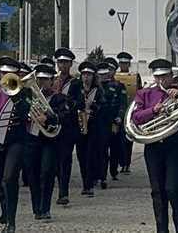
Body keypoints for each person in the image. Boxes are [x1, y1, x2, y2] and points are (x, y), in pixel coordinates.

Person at [131, 59, 178, 233]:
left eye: (165, 76)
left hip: (174, 147)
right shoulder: (145, 94)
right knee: (157, 192)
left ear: (171, 76)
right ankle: (161, 229)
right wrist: (154, 111)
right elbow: (136, 117)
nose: (161, 81)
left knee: (172, 188)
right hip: (153, 147)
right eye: (158, 77)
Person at [0, 60, 30, 233]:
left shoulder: (25, 92)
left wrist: (14, 95)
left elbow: (25, 113)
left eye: (8, 74)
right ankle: (5, 211)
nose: (5, 77)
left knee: (10, 179)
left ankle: (11, 222)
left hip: (16, 142)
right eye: (2, 74)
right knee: (1, 182)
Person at [25, 63, 68, 221]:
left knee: (46, 172)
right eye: (39, 79)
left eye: (45, 79)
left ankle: (45, 208)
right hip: (32, 138)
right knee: (32, 174)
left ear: (52, 81)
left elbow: (65, 116)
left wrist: (48, 117)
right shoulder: (29, 98)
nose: (42, 83)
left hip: (50, 140)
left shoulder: (59, 98)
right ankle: (37, 207)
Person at [52, 47, 84, 205]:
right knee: (53, 159)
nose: (62, 65)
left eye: (66, 62)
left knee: (65, 159)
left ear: (71, 64)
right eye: (60, 62)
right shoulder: (51, 80)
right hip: (51, 125)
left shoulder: (76, 83)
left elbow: (81, 103)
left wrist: (66, 101)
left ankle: (63, 191)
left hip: (68, 126)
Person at [74, 61, 103, 197]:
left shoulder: (98, 90)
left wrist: (93, 107)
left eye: (89, 74)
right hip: (79, 125)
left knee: (90, 155)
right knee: (81, 155)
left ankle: (88, 185)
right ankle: (85, 179)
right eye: (84, 74)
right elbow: (70, 102)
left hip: (94, 127)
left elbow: (104, 106)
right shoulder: (76, 88)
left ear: (93, 76)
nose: (86, 77)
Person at [99, 58, 127, 185]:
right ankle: (102, 176)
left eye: (111, 70)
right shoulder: (98, 87)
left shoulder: (119, 86)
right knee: (102, 149)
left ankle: (114, 170)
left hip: (115, 122)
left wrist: (120, 116)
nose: (109, 72)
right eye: (107, 69)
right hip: (102, 122)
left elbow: (123, 104)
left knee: (115, 148)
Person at [116, 52, 142, 173]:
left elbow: (140, 92)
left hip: (131, 111)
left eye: (126, 63)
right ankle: (120, 162)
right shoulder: (115, 77)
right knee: (118, 139)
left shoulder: (135, 76)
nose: (124, 65)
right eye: (122, 63)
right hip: (118, 112)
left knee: (128, 138)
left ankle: (127, 163)